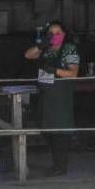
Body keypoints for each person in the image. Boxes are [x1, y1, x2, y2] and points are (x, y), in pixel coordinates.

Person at [25, 21, 80, 177]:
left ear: (64, 34)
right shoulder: (46, 48)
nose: (54, 36)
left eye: (57, 33)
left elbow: (73, 74)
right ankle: (56, 164)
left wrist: (54, 70)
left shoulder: (69, 49)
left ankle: (60, 166)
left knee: (60, 132)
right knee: (46, 129)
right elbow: (28, 55)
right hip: (45, 96)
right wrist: (41, 44)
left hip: (60, 98)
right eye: (51, 33)